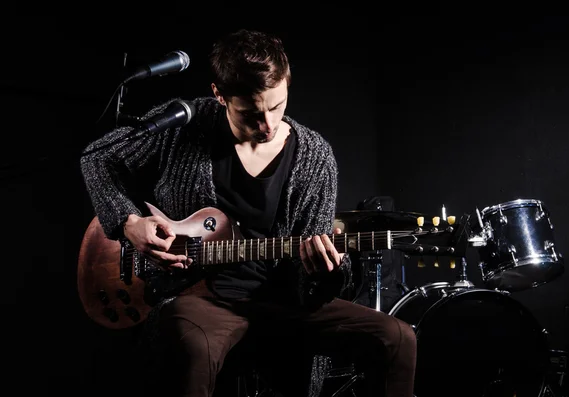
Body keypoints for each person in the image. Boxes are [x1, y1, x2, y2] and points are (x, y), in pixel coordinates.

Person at [80, 28, 417, 397]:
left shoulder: (315, 157)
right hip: (201, 300)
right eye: (251, 114)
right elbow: (98, 157)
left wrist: (324, 269)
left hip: (286, 301)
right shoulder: (185, 124)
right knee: (192, 346)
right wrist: (128, 222)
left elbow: (317, 284)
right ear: (219, 95)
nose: (267, 125)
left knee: (397, 337)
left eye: (276, 106)